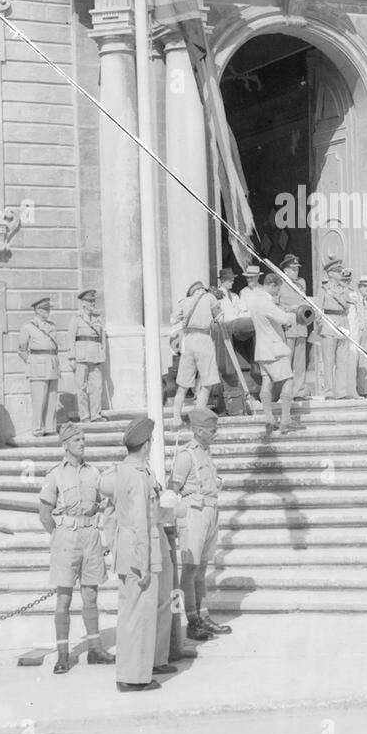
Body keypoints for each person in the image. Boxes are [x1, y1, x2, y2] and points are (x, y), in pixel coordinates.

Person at [38, 422, 114, 675]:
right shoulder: (54, 475)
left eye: (83, 439)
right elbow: (45, 514)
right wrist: (60, 535)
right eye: (77, 440)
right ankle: (63, 654)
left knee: (91, 595)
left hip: (91, 536)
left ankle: (95, 649)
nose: (82, 444)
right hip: (66, 539)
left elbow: (103, 502)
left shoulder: (94, 473)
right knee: (64, 598)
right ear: (66, 444)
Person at [108, 416, 168, 692]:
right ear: (145, 445)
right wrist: (143, 564)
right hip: (138, 550)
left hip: (126, 548)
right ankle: (132, 677)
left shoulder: (122, 470)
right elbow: (141, 522)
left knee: (132, 613)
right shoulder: (137, 475)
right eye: (151, 442)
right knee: (138, 615)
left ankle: (132, 673)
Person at [170, 405, 230, 641]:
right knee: (191, 567)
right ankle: (192, 620)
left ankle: (203, 616)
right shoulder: (187, 455)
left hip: (210, 511)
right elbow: (172, 490)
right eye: (210, 429)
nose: (215, 432)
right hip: (193, 513)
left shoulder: (205, 452)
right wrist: (174, 520)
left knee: (202, 568)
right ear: (198, 430)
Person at [248, 271, 297, 433]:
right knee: (288, 380)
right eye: (277, 289)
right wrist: (293, 312)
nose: (278, 293)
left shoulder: (255, 300)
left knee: (267, 382)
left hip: (262, 349)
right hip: (275, 349)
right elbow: (284, 319)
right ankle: (285, 420)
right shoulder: (265, 302)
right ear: (272, 285)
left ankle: (269, 418)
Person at [171, 281, 221, 423]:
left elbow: (173, 319)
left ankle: (176, 418)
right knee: (207, 381)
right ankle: (199, 416)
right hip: (204, 339)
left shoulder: (184, 301)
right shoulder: (210, 298)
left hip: (188, 340)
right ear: (202, 290)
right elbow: (220, 318)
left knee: (183, 383)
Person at [18, 297, 60, 437]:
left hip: (52, 363)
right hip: (37, 365)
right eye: (44, 309)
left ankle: (50, 427)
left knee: (52, 398)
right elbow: (22, 350)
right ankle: (37, 428)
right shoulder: (28, 326)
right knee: (39, 399)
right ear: (37, 310)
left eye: (48, 309)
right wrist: (32, 363)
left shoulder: (52, 326)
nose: (47, 312)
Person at [67, 288, 105, 423]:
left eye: (93, 301)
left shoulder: (97, 319)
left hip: (95, 357)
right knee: (81, 388)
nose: (93, 304)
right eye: (90, 301)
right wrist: (71, 358)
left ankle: (96, 415)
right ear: (83, 303)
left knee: (97, 387)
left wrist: (102, 355)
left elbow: (101, 339)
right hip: (81, 358)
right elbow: (70, 339)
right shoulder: (76, 319)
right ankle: (84, 416)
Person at [318, 259, 354, 400]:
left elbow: (349, 305)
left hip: (342, 325)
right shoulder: (324, 288)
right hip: (329, 324)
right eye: (338, 271)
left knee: (342, 360)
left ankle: (341, 391)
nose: (341, 273)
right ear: (330, 273)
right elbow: (318, 308)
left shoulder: (344, 288)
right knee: (328, 360)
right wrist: (320, 324)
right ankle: (329, 392)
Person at [277, 254, 310, 398]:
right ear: (285, 270)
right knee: (286, 362)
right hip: (288, 325)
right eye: (293, 269)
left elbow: (306, 300)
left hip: (301, 325)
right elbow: (276, 306)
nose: (296, 271)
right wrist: (290, 309)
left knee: (300, 363)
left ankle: (299, 391)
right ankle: (284, 392)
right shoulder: (279, 284)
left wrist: (303, 305)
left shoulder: (301, 283)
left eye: (297, 269)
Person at [350, 275, 367, 397]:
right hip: (356, 332)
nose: (366, 288)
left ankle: (364, 390)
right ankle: (352, 389)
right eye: (363, 286)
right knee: (353, 360)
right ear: (359, 287)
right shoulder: (353, 298)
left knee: (365, 361)